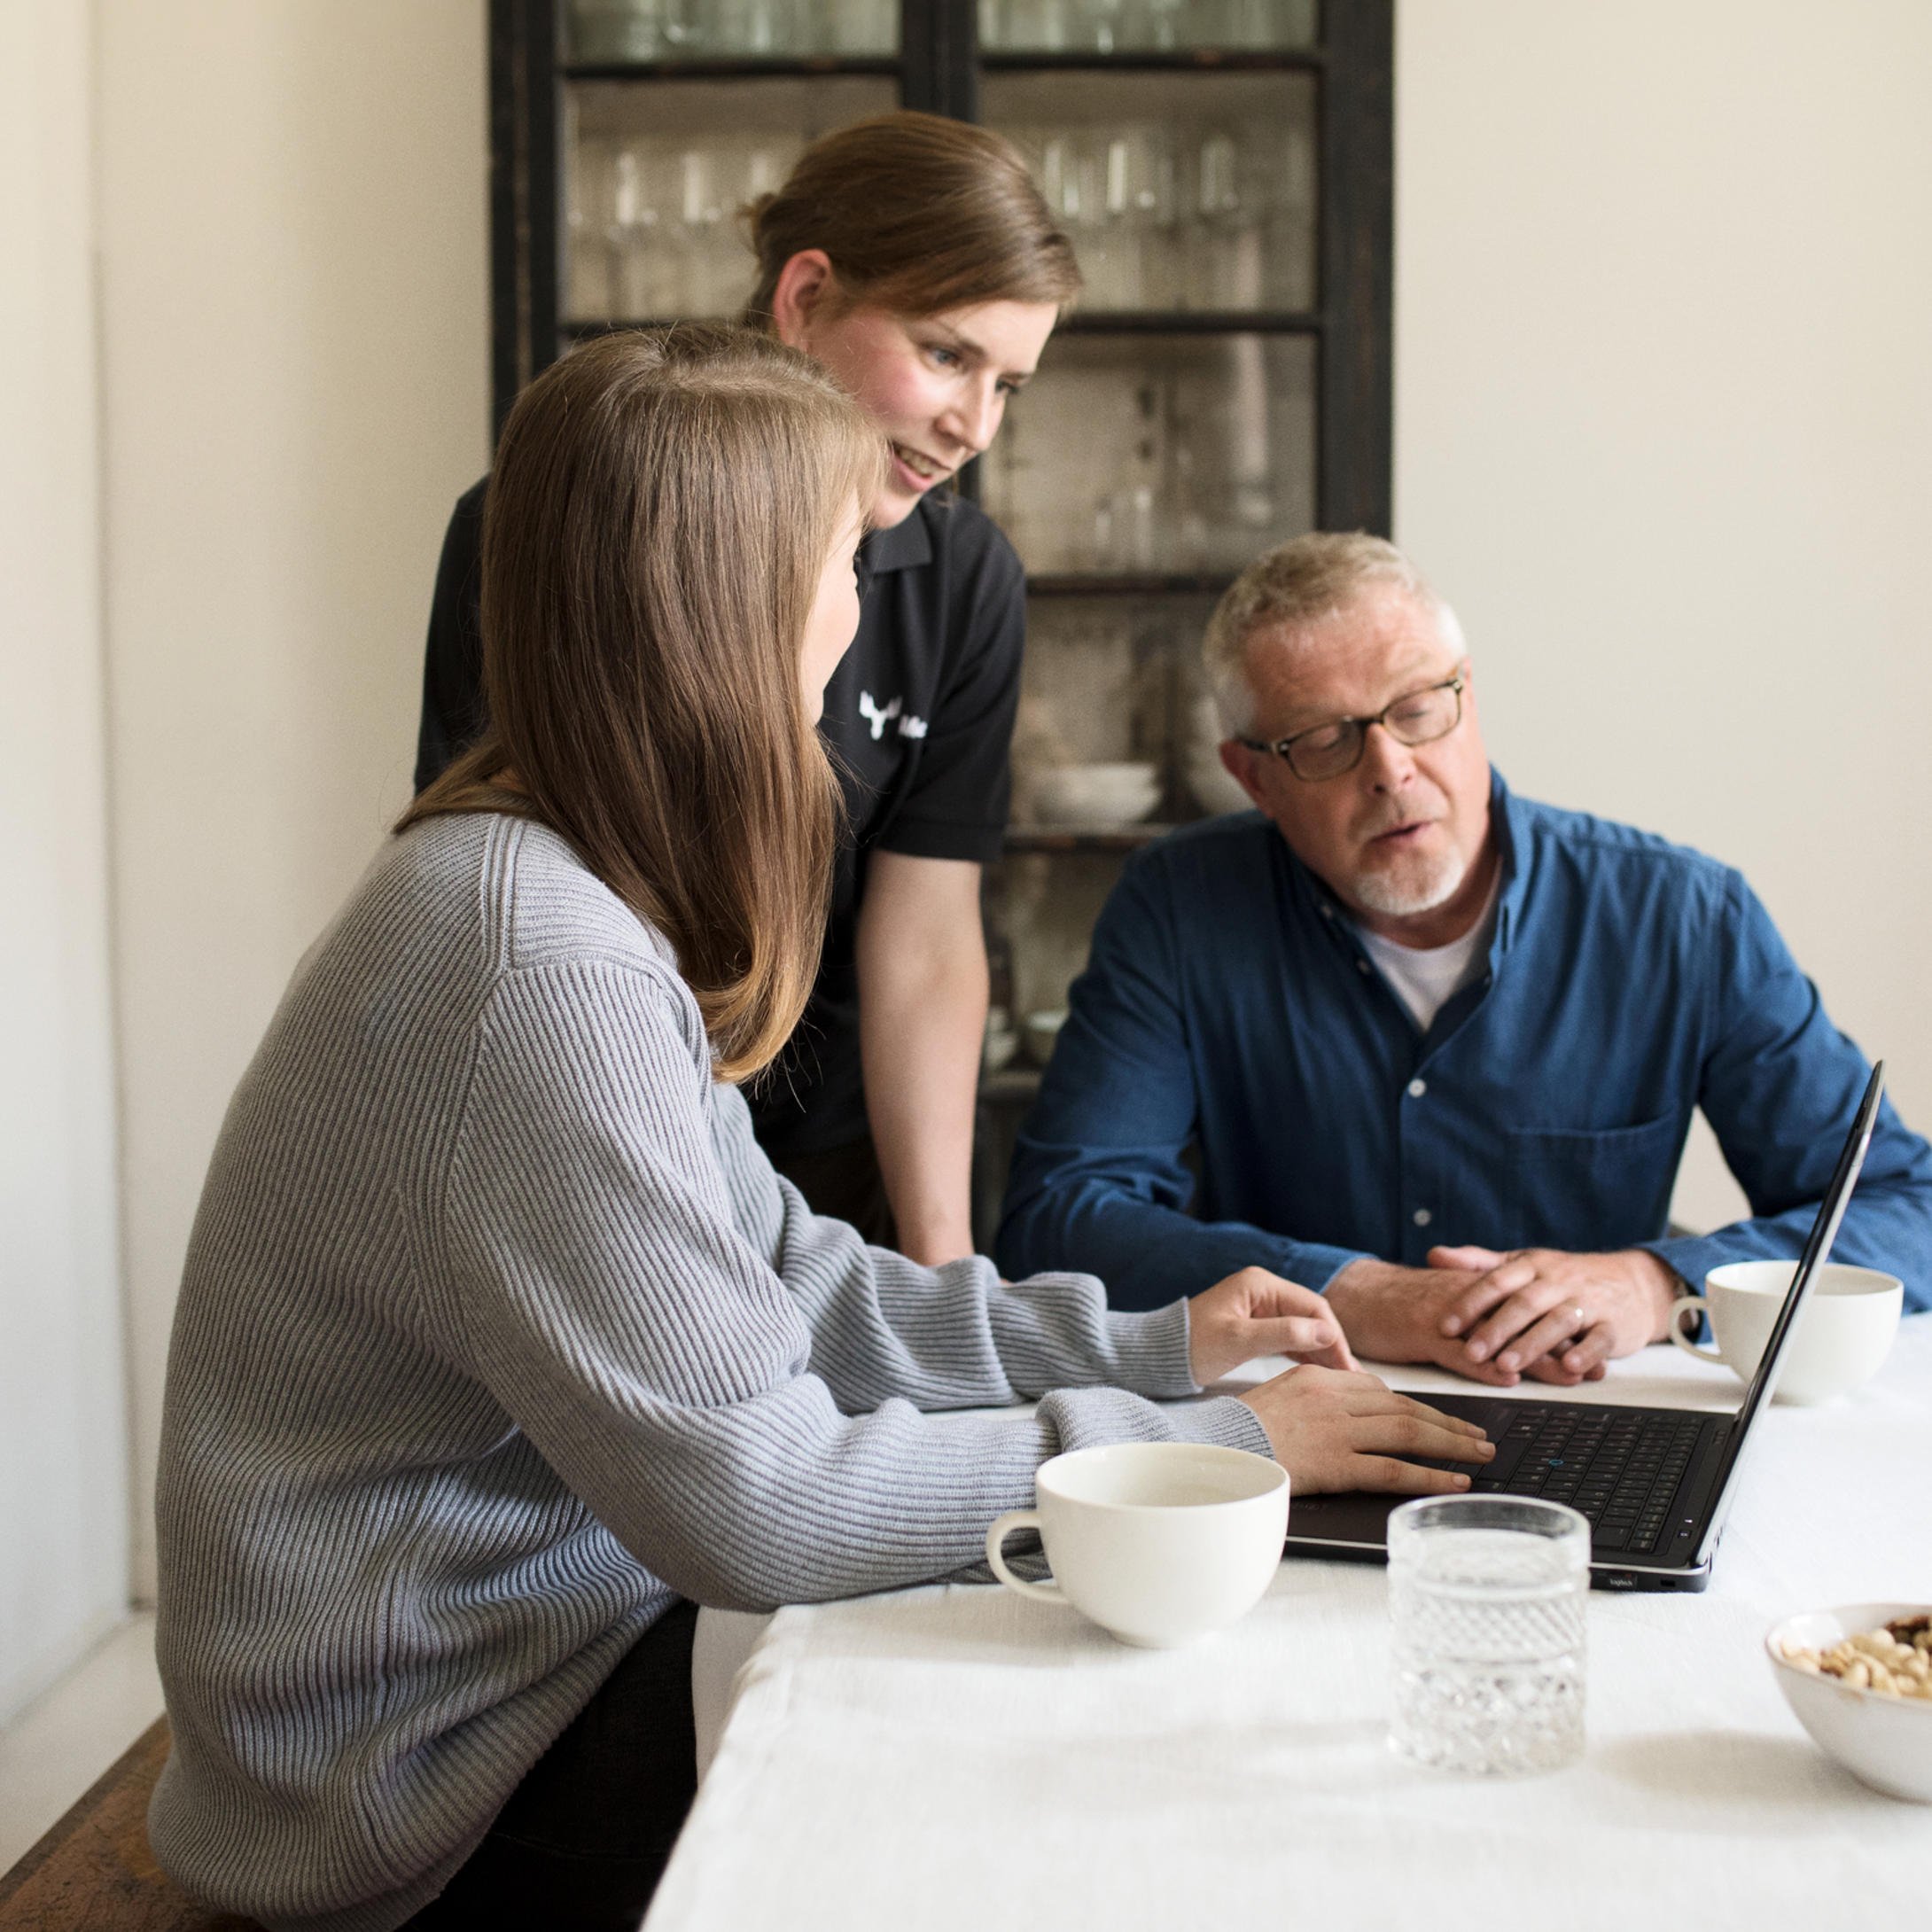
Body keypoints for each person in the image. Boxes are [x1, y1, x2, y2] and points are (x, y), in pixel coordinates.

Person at [149, 332, 1492, 1932]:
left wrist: (1149, 1351)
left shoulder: (555, 886)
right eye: (845, 560)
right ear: (726, 606)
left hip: (517, 1653)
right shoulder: (536, 959)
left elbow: (790, 1274)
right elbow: (760, 1506)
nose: (866, 608)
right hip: (416, 1774)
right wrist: (1216, 1455)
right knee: (1041, 1757)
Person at [995, 532, 1932, 1385]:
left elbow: (1905, 1207)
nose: (1389, 768)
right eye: (1322, 740)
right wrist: (1355, 1293)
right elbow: (1059, 1220)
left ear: (1466, 696)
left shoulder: (1682, 916)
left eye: (1414, 710)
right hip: (1295, 1420)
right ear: (1252, 775)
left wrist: (1654, 1283)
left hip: (1596, 1418)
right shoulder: (1178, 907)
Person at [417, 111, 1067, 1264]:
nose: (976, 426)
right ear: (805, 294)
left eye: (1010, 384)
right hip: (600, 1129)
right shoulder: (553, 520)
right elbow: (509, 891)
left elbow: (925, 942)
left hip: (836, 1171)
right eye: (946, 354)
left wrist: (946, 1267)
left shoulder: (967, 582)